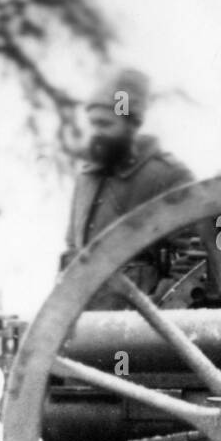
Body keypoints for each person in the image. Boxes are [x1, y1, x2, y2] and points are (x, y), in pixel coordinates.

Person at [61, 67, 194, 309]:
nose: (96, 133)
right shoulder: (86, 179)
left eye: (104, 124)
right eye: (93, 124)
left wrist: (162, 311)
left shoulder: (167, 176)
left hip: (139, 321)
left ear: (130, 124)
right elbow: (72, 250)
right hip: (84, 318)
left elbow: (192, 256)